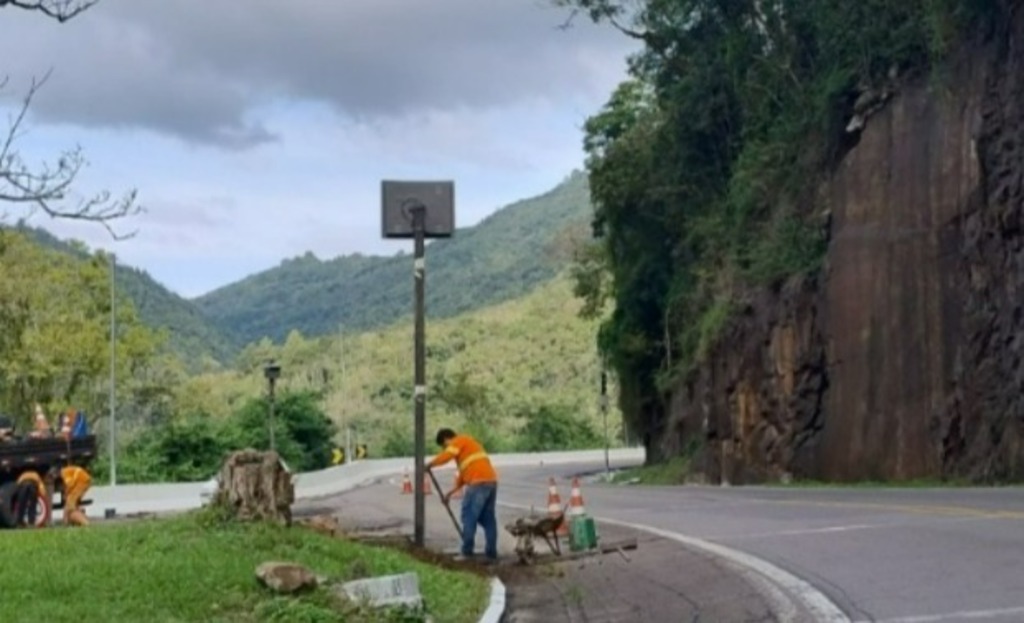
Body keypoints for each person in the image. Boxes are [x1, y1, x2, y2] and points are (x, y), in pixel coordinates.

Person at [426, 428, 498, 562]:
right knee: (488, 519)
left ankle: (467, 552)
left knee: (468, 516)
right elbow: (464, 476)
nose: (445, 448)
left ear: (447, 439)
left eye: (444, 446)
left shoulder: (459, 440)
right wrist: (450, 492)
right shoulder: (469, 447)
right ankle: (491, 554)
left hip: (478, 483)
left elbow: (447, 455)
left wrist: (431, 464)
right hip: (490, 481)